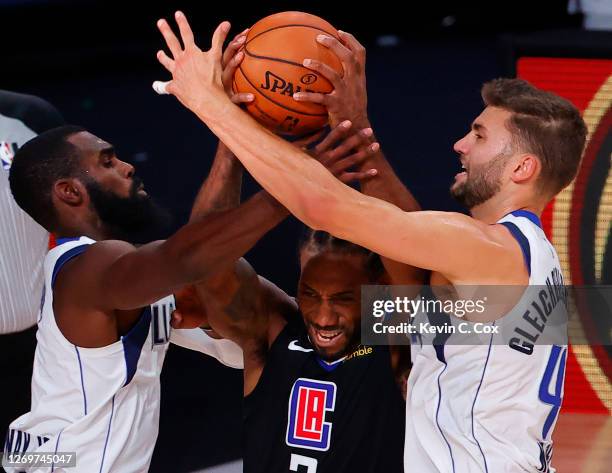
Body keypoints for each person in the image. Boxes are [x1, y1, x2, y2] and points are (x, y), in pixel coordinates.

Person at [154, 12, 587, 472]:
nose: (460, 144)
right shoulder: (525, 254)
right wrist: (356, 126)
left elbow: (324, 205)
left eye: (479, 135)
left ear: (521, 168)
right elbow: (406, 230)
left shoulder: (490, 249)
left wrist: (210, 103)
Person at [171, 122, 421, 472]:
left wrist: (357, 129)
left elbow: (417, 259)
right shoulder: (273, 334)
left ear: (379, 289)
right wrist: (231, 138)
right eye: (310, 293)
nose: (323, 316)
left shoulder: (398, 344)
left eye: (343, 298)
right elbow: (203, 261)